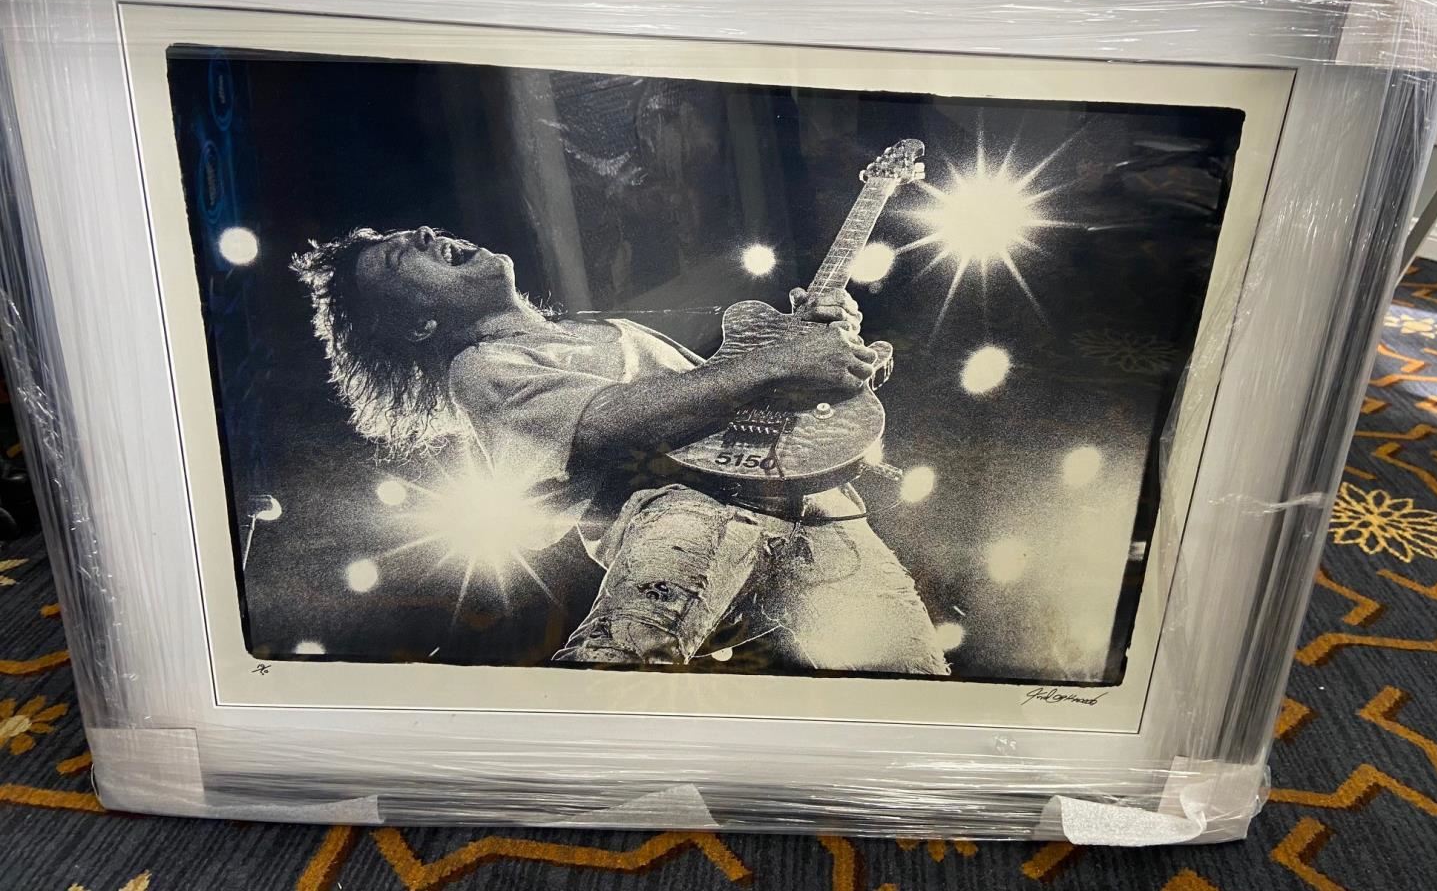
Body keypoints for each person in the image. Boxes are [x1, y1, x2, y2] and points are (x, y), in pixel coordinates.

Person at [293, 226, 948, 674]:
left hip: (820, 512)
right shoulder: (483, 366)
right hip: (683, 509)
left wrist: (827, 356)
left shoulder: (607, 328)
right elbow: (604, 422)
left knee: (911, 686)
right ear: (418, 323)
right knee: (620, 667)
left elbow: (732, 399)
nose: (423, 235)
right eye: (398, 257)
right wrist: (780, 364)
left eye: (419, 230)